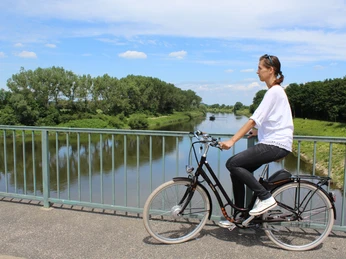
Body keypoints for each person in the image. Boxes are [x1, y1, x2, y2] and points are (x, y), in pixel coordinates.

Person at [218, 54, 293, 228]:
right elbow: (273, 119)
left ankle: (266, 198)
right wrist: (258, 131)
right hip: (274, 142)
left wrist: (232, 140)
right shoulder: (275, 91)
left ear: (271, 70)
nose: (256, 71)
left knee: (232, 163)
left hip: (275, 144)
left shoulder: (274, 92)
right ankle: (240, 215)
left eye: (260, 68)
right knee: (236, 170)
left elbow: (253, 119)